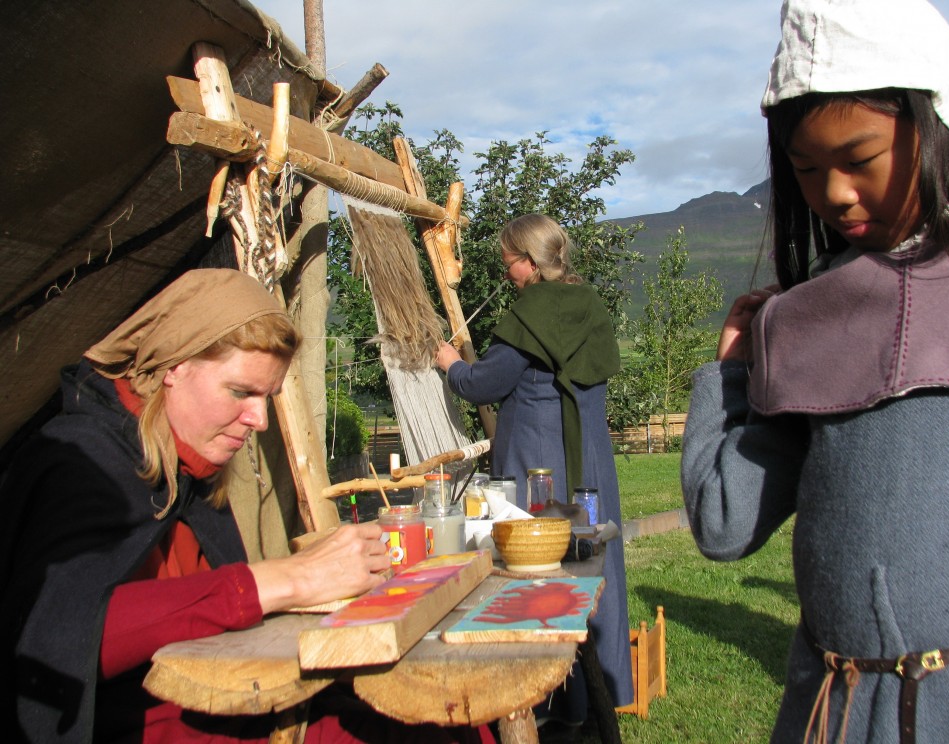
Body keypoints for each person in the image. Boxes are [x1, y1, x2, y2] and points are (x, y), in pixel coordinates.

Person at [0, 268, 494, 744]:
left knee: (460, 714)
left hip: (225, 698)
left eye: (268, 396)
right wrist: (288, 580)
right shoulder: (81, 463)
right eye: (240, 392)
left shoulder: (188, 469)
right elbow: (60, 638)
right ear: (174, 367)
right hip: (144, 725)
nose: (259, 419)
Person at [680, 1, 949, 742]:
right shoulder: (803, 317)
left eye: (860, 159)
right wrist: (732, 371)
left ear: (940, 124)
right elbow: (724, 525)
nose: (836, 194)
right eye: (807, 169)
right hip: (839, 711)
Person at [435, 214, 634, 717]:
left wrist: (450, 364)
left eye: (509, 264)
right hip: (588, 458)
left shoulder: (530, 316)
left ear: (529, 261)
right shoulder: (589, 305)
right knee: (590, 566)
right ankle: (597, 698)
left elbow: (484, 385)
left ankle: (547, 704)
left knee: (537, 572)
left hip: (538, 464)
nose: (508, 275)